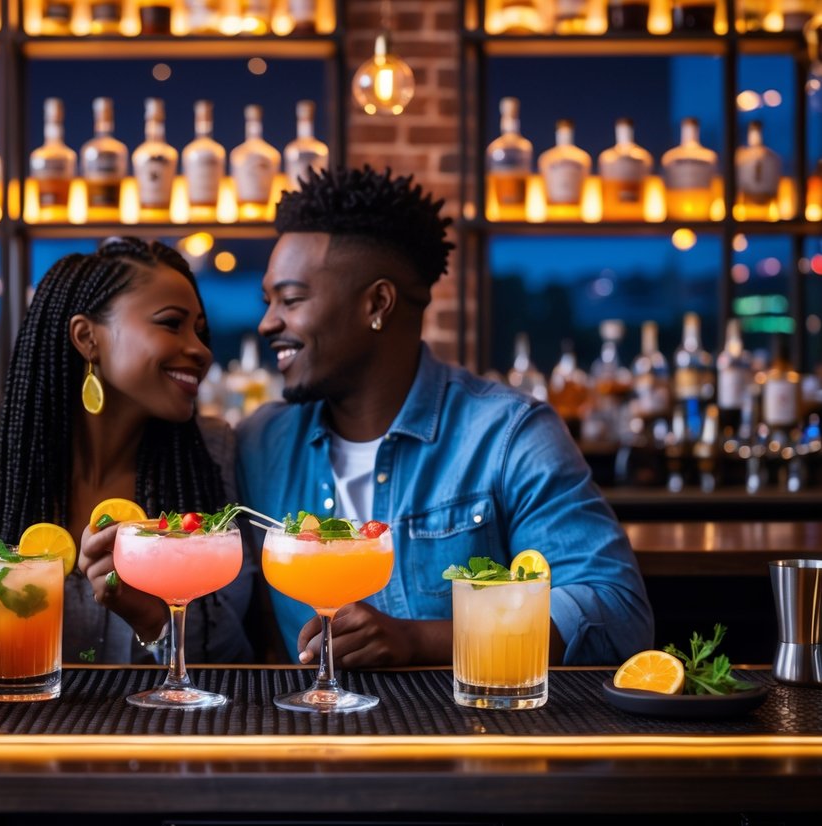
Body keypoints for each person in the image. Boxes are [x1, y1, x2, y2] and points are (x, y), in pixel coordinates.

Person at [235, 166, 654, 667]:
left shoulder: (508, 435)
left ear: (378, 303)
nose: (267, 323)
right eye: (268, 302)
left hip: (469, 738)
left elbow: (616, 613)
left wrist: (422, 642)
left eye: (291, 299)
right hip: (313, 739)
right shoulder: (261, 444)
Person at [0, 237, 254, 664]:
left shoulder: (211, 454)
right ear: (87, 338)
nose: (201, 350)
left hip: (170, 730)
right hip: (26, 728)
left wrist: (150, 617)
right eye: (171, 323)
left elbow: (231, 660)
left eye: (199, 329)